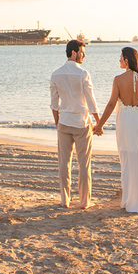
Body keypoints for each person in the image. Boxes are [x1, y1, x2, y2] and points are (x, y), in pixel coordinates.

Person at [95, 46, 138, 213]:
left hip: (126, 122)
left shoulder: (118, 80)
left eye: (120, 57)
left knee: (129, 160)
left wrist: (99, 125)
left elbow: (111, 104)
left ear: (126, 60)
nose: (119, 60)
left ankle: (131, 200)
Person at [50, 39, 102, 208]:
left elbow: (54, 104)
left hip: (64, 123)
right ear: (74, 53)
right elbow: (91, 101)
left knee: (64, 163)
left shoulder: (55, 74)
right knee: (84, 163)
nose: (84, 55)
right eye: (82, 52)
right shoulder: (83, 74)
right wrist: (98, 122)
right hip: (81, 123)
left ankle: (65, 200)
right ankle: (84, 202)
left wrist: (58, 123)